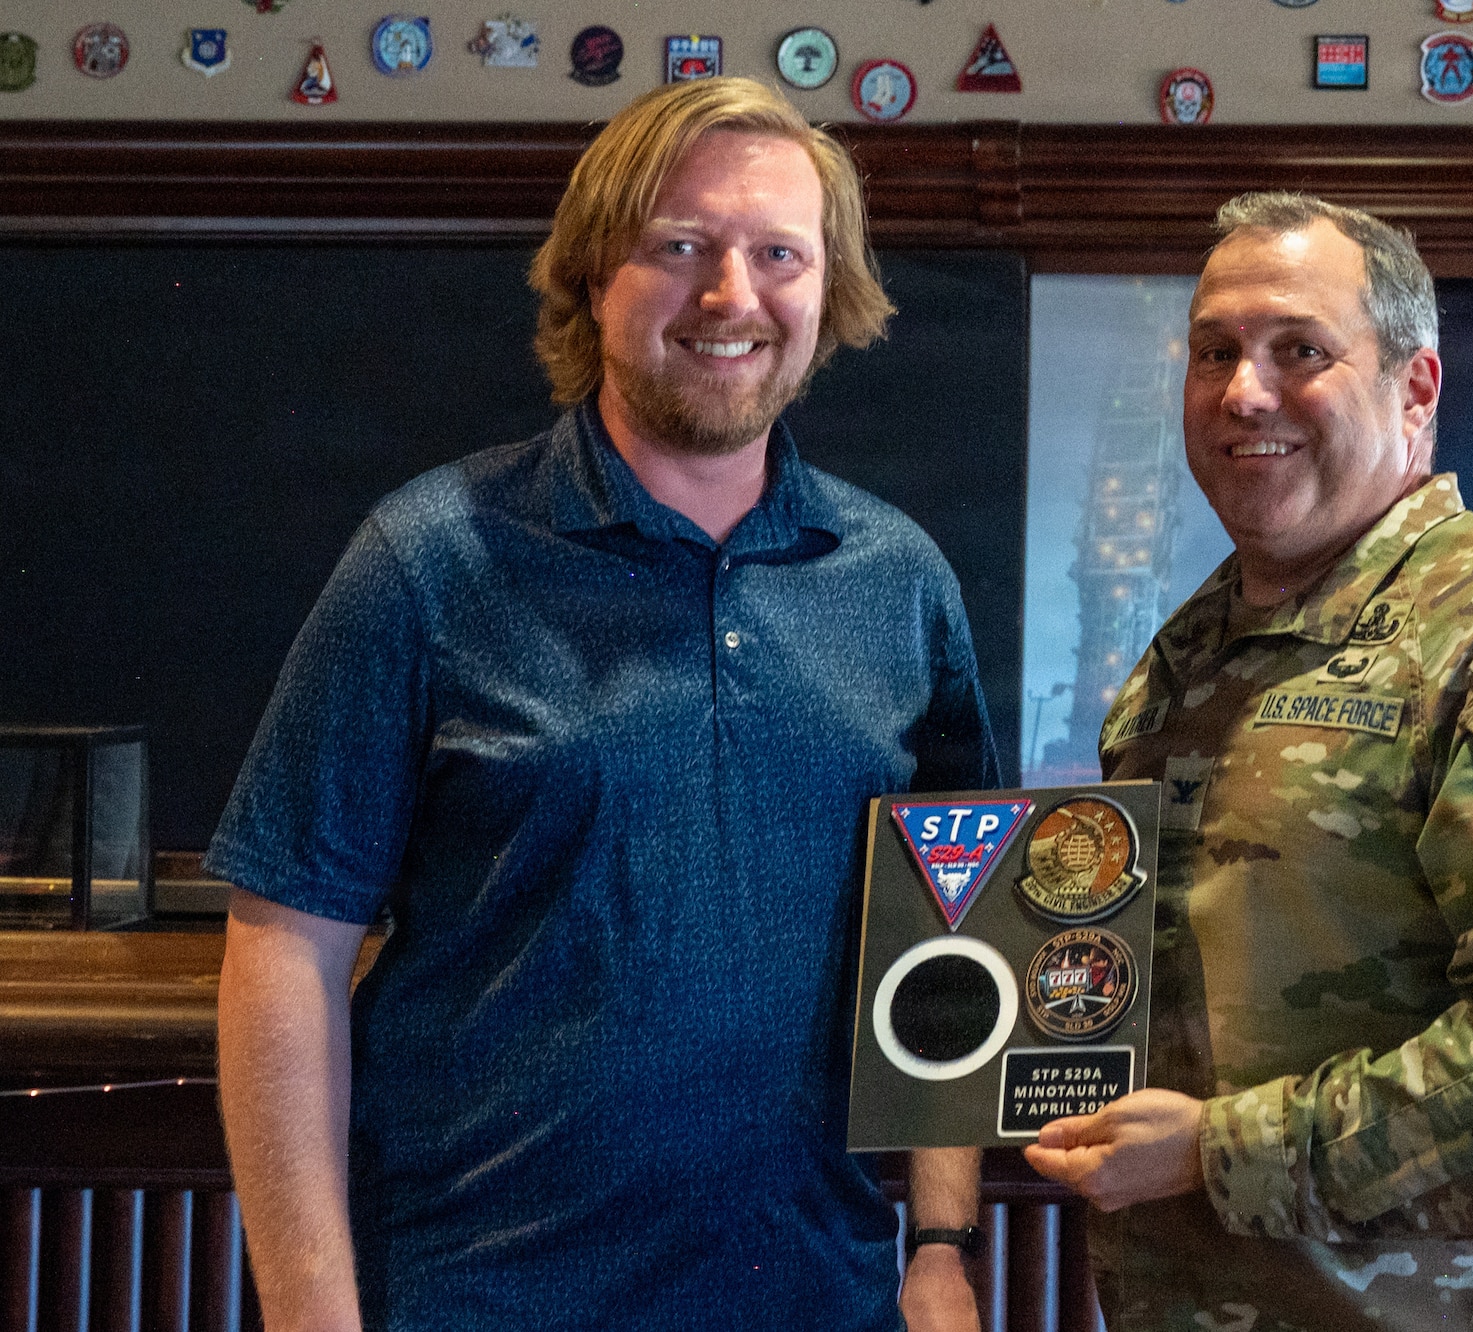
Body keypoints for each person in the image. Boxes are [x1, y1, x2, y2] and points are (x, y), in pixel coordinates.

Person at [210, 78, 991, 1332]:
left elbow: (952, 932)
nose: (732, 296)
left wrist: (942, 1237)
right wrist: (311, 1312)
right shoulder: (430, 559)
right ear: (590, 278)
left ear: (828, 290)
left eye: (777, 253)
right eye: (679, 246)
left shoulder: (896, 578)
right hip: (479, 1295)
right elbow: (282, 947)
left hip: (815, 1292)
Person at [1024, 192, 1473, 1332]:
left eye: (1298, 350)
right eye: (1213, 353)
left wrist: (1216, 1153)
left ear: (1415, 388)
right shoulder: (1190, 655)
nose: (1245, 392)